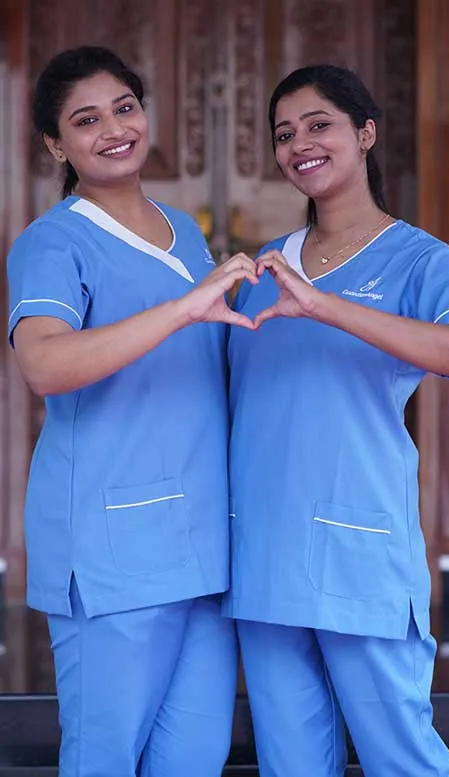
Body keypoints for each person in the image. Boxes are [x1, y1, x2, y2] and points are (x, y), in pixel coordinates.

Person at [223, 64, 449, 777]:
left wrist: (326, 305)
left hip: (358, 554)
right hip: (265, 558)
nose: (299, 144)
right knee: (291, 764)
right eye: (284, 134)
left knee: (402, 759)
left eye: (319, 125)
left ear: (365, 133)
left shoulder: (419, 259)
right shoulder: (259, 274)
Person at [7, 45, 257, 777]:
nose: (114, 128)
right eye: (86, 120)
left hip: (201, 545)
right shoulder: (53, 242)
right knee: (105, 760)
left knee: (193, 758)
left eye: (124, 107)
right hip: (113, 550)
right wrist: (184, 309)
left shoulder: (183, 230)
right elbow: (44, 361)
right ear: (57, 144)